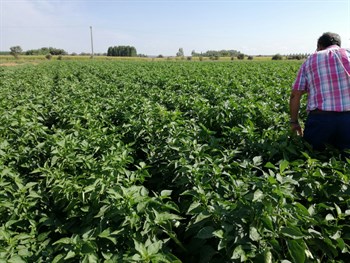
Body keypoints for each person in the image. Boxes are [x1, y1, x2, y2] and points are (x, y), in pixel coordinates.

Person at [289, 32, 350, 153]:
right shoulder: (348, 55)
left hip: (320, 121)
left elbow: (295, 95)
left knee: (313, 157)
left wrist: (294, 122)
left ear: (320, 46)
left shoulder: (311, 59)